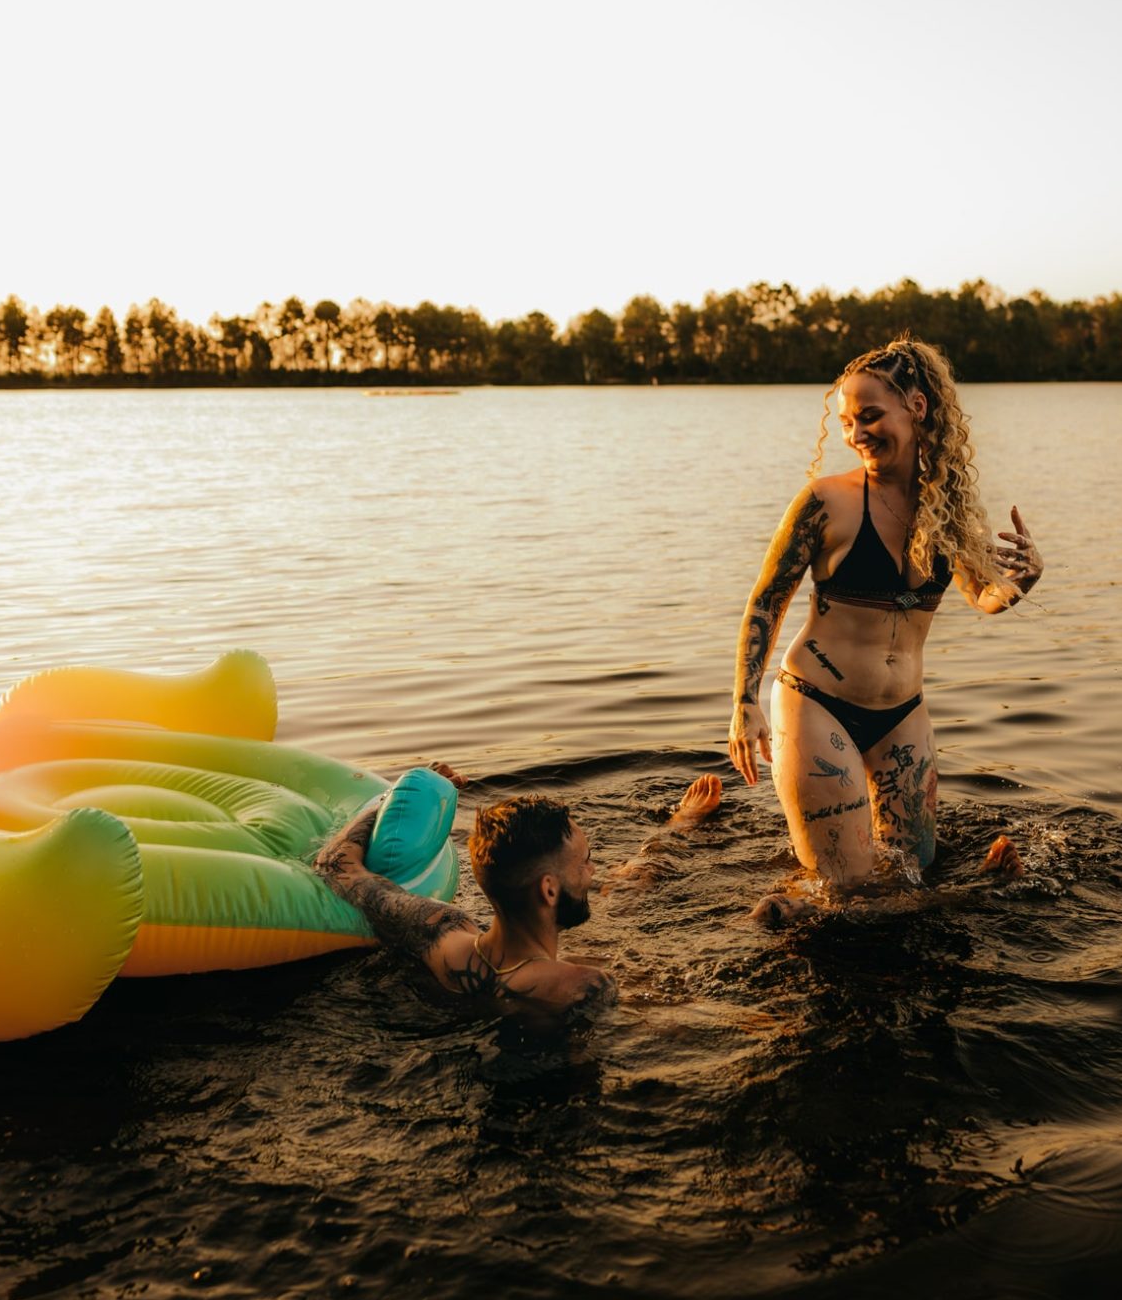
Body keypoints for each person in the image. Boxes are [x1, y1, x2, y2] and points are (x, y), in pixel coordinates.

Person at [727, 340, 1044, 924]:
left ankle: (968, 895)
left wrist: (1021, 583)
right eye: (848, 422)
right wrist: (744, 701)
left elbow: (983, 596)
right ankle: (771, 919)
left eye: (870, 416)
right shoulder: (826, 503)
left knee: (911, 882)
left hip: (902, 714)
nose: (856, 434)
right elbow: (766, 602)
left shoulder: (949, 510)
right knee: (845, 894)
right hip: (817, 704)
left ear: (918, 408)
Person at [312, 765, 724, 1025]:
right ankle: (677, 829)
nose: (593, 870)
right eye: (586, 861)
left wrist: (394, 799)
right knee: (618, 896)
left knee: (616, 891)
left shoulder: (439, 932)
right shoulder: (585, 986)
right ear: (548, 890)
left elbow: (335, 866)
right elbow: (688, 1020)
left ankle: (675, 829)